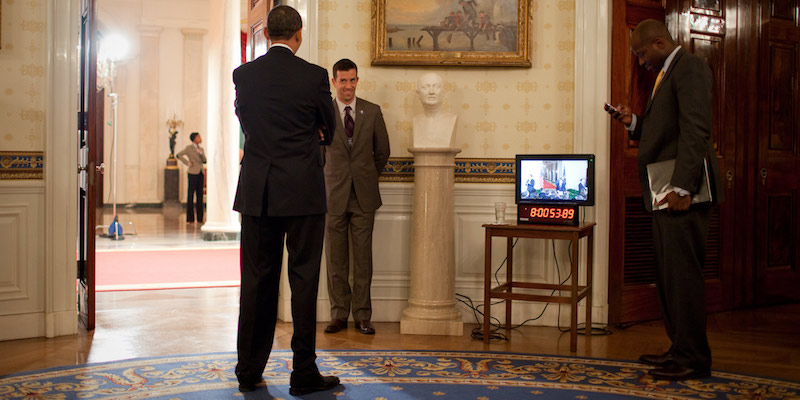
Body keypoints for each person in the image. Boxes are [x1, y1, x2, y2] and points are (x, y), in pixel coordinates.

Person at [231, 5, 339, 395]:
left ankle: (248, 369)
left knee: (255, 282)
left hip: (259, 191)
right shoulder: (313, 77)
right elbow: (329, 125)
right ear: (298, 34)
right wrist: (314, 135)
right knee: (304, 281)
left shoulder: (243, 75)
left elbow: (246, 122)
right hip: (304, 192)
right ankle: (303, 373)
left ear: (265, 35)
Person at [608, 19, 724, 381]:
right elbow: (666, 130)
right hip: (665, 191)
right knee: (669, 276)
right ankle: (679, 349)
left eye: (642, 54)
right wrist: (633, 123)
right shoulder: (666, 73)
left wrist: (683, 188)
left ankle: (694, 358)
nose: (641, 62)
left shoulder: (690, 68)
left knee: (683, 277)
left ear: (659, 43)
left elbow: (695, 130)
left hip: (681, 193)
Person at [323, 59, 391, 336]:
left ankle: (363, 315)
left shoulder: (372, 111)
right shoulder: (323, 112)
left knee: (363, 260)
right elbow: (314, 151)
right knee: (335, 261)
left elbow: (382, 152)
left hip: (364, 196)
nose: (348, 86)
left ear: (357, 80)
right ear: (334, 82)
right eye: (343, 81)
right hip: (331, 196)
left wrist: (365, 177)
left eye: (352, 80)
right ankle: (339, 314)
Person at [412, 72, 458, 148]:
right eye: (425, 87)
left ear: (443, 92)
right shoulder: (415, 120)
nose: (431, 92)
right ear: (418, 94)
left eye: (436, 87)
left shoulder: (452, 119)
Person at [175, 132, 206, 224]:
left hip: (200, 172)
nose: (200, 138)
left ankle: (200, 218)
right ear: (194, 138)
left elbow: (204, 161)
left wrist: (201, 154)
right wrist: (188, 163)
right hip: (192, 172)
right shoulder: (189, 148)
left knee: (200, 196)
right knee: (191, 195)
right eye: (198, 137)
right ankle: (190, 218)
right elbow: (179, 155)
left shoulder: (201, 149)